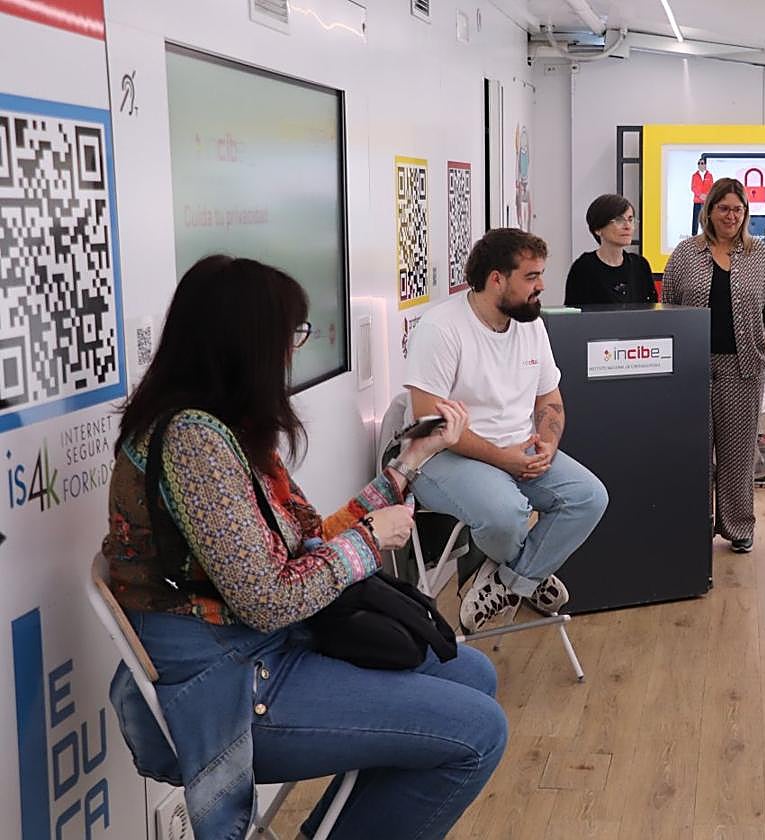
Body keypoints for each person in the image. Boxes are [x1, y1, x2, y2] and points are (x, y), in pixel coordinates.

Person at [104, 255, 505, 839]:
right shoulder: (193, 442)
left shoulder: (220, 429)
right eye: (291, 333)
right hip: (232, 677)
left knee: (472, 676)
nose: (295, 349)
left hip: (260, 645)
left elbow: (307, 542)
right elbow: (269, 598)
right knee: (479, 732)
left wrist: (407, 467)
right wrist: (370, 542)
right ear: (247, 343)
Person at [404, 228, 609, 632]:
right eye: (531, 277)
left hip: (520, 448)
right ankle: (530, 576)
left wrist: (547, 444)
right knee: (507, 514)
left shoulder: (529, 323)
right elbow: (429, 425)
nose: (541, 286)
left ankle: (510, 581)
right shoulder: (441, 328)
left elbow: (550, 401)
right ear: (496, 278)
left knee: (588, 498)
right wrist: (504, 459)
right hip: (442, 456)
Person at [662, 177, 765, 553]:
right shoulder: (685, 253)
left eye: (738, 209)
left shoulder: (759, 254)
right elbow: (667, 304)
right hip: (691, 368)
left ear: (746, 213)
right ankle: (692, 524)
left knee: (737, 451)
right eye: (723, 208)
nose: (731, 215)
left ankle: (738, 527)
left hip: (742, 367)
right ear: (708, 211)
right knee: (694, 451)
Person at [564, 194, 657, 306]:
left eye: (630, 219)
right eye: (619, 220)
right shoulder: (584, 268)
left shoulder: (640, 265)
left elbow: (652, 311)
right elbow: (573, 315)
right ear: (598, 229)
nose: (627, 226)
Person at [690, 157, 713, 236]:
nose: (700, 165)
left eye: (702, 163)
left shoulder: (709, 176)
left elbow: (711, 187)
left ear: (705, 165)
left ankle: (707, 234)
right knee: (696, 219)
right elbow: (693, 187)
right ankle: (694, 235)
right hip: (697, 201)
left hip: (706, 201)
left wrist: (706, 196)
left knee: (706, 218)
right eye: (699, 163)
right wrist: (700, 195)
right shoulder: (694, 176)